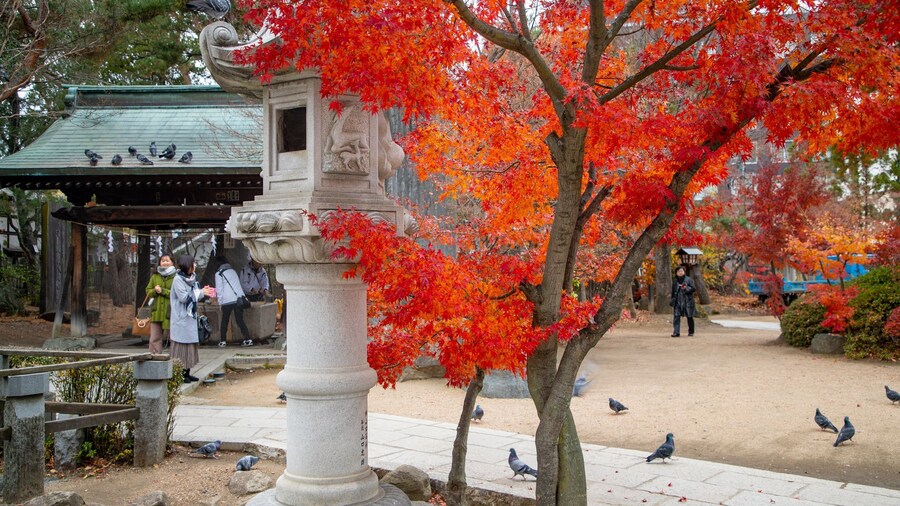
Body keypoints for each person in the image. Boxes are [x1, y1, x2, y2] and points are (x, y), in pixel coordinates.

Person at [169, 254, 214, 382]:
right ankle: (180, 374)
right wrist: (200, 293)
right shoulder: (177, 279)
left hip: (190, 318)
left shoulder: (191, 278)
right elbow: (184, 297)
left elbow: (194, 294)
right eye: (193, 263)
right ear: (187, 265)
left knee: (189, 347)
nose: (195, 265)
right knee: (181, 348)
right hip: (181, 318)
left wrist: (202, 291)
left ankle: (187, 373)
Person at [215, 257, 254, 347]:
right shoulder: (232, 271)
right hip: (238, 299)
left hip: (227, 300)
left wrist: (220, 302)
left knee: (225, 320)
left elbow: (219, 290)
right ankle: (248, 339)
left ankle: (223, 341)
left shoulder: (219, 274)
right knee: (239, 320)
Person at [144, 254, 176, 354]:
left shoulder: (176, 276)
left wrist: (162, 291)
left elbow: (177, 293)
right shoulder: (155, 276)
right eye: (163, 261)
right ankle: (154, 356)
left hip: (171, 310)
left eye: (167, 260)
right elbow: (148, 291)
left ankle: (176, 358)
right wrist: (154, 291)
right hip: (157, 310)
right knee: (155, 337)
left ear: (172, 263)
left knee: (174, 337)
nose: (165, 263)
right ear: (159, 263)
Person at [670, 266, 696, 337]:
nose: (680, 272)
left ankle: (691, 331)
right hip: (677, 300)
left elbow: (693, 288)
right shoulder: (675, 281)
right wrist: (672, 299)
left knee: (689, 316)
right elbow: (673, 291)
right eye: (678, 271)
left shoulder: (689, 279)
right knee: (676, 316)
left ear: (684, 272)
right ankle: (676, 332)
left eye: (681, 271)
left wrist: (686, 288)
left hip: (687, 301)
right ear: (676, 273)